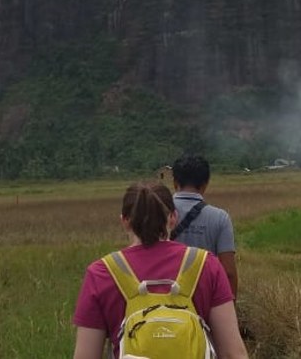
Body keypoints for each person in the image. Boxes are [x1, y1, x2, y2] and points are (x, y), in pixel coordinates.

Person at [72, 181, 248, 359]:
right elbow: (232, 353)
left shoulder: (101, 273)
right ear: (173, 217)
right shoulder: (206, 265)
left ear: (125, 221)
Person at [171, 154, 238, 297]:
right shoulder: (220, 218)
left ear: (175, 182)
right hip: (205, 299)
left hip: (163, 296)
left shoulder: (156, 212)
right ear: (205, 184)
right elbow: (229, 272)